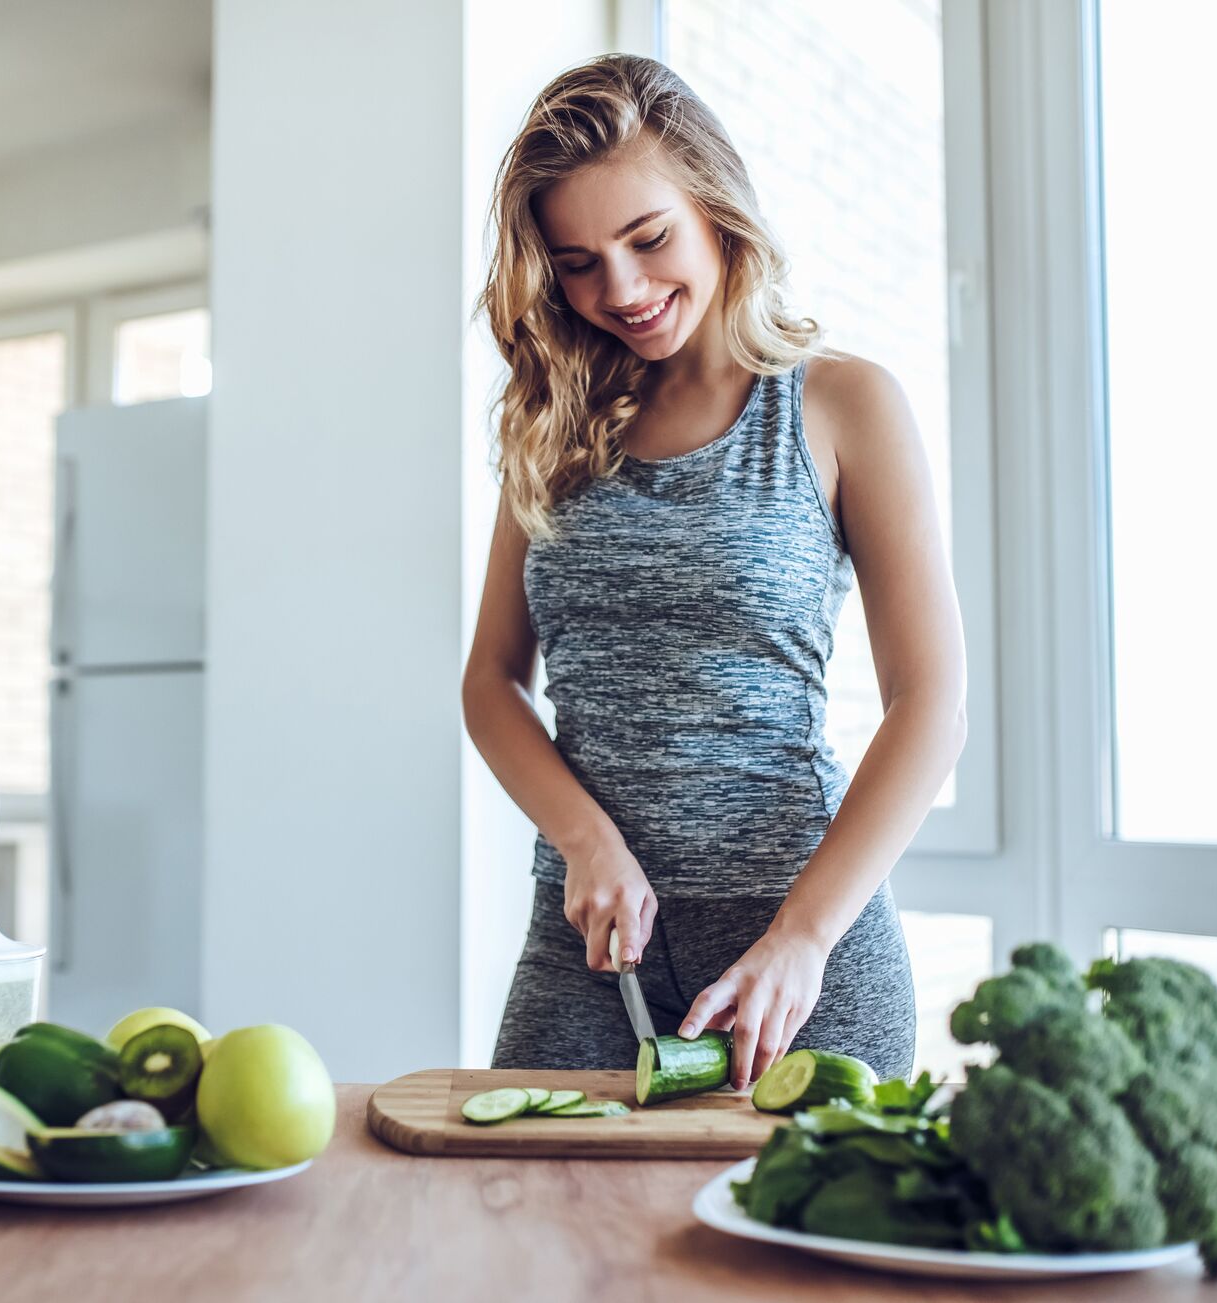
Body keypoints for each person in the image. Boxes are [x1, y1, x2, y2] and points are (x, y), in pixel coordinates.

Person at [464, 54, 967, 1088]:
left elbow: (931, 700)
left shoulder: (840, 406)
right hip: (587, 953)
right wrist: (582, 838)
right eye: (576, 262)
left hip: (797, 951)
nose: (622, 290)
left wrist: (804, 936)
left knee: (791, 1251)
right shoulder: (547, 425)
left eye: (647, 239)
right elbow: (490, 683)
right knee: (533, 1239)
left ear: (714, 207)